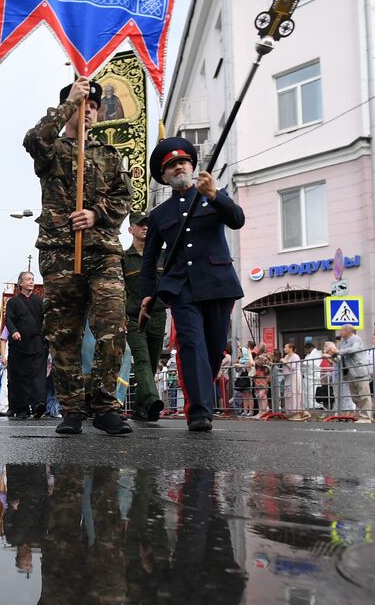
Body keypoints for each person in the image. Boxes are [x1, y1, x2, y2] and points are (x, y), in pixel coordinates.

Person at [24, 77, 132, 436]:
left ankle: (104, 404)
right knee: (63, 334)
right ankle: (71, 409)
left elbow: (123, 198)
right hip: (60, 253)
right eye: (83, 105)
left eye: (93, 106)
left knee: (113, 327)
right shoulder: (51, 150)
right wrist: (69, 101)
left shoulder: (109, 154)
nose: (89, 111)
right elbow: (33, 139)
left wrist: (96, 214)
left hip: (102, 252)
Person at [140, 137, 245, 432]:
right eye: (171, 166)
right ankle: (199, 411)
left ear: (192, 165)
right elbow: (149, 262)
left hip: (218, 285)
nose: (178, 167)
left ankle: (201, 397)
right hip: (182, 289)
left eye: (182, 162)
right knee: (191, 346)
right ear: (164, 177)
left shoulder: (213, 194)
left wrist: (215, 196)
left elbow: (237, 220)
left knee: (212, 351)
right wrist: (147, 296)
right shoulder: (160, 215)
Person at [122, 211, 165, 421]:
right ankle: (151, 399)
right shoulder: (124, 259)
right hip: (133, 317)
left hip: (158, 314)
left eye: (147, 224)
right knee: (142, 360)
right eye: (140, 225)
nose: (145, 227)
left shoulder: (162, 255)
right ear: (131, 230)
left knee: (153, 361)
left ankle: (140, 408)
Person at [4, 271, 48, 420]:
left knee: (38, 376)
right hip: (20, 346)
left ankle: (38, 404)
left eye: (32, 279)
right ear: (20, 283)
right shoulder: (13, 302)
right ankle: (21, 408)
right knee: (20, 377)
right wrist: (14, 331)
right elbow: (8, 320)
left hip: (37, 345)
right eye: (28, 279)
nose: (31, 282)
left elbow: (45, 321)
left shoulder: (39, 301)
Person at [326, 326, 373, 422]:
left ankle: (366, 417)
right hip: (348, 371)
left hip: (359, 370)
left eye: (342, 330)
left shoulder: (356, 339)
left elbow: (353, 350)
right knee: (355, 396)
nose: (340, 332)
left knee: (364, 395)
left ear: (348, 331)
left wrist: (338, 351)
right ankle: (360, 415)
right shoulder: (343, 341)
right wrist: (333, 355)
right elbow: (341, 355)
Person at [279, 342, 307, 420]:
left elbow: (293, 367)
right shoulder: (286, 356)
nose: (284, 349)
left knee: (295, 393)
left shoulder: (295, 356)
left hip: (294, 376)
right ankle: (291, 412)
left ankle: (297, 412)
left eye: (285, 347)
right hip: (288, 377)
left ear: (291, 348)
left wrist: (285, 362)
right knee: (289, 394)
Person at [302, 336, 323, 410]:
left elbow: (314, 364)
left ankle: (313, 405)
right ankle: (309, 405)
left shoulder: (316, 353)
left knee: (312, 392)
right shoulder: (308, 355)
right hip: (307, 376)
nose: (306, 351)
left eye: (306, 349)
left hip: (313, 376)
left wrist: (305, 365)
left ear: (309, 348)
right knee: (307, 392)